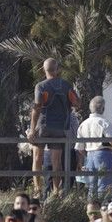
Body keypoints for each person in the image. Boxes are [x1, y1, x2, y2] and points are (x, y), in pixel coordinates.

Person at [29, 57, 80, 197]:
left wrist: (32, 129)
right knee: (56, 161)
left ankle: (38, 189)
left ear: (43, 70)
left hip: (43, 126)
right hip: (60, 129)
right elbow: (77, 103)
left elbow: (37, 107)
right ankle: (56, 190)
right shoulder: (66, 85)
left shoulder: (40, 86)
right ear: (57, 70)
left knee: (37, 157)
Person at [76, 97, 112, 201]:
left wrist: (88, 155)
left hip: (89, 155)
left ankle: (92, 209)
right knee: (105, 185)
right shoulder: (104, 122)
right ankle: (104, 208)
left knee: (92, 187)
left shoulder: (83, 124)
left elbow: (80, 148)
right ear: (103, 108)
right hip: (104, 154)